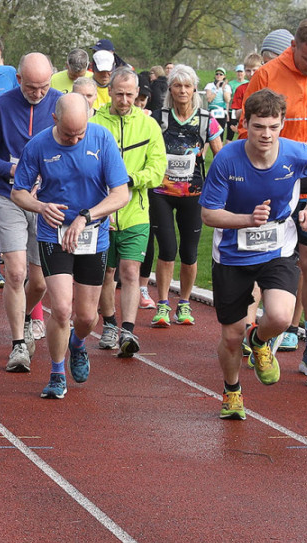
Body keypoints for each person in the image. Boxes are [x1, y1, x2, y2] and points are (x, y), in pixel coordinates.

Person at [201, 89, 307, 420]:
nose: (266, 134)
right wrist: (247, 220)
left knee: (278, 317)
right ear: (245, 123)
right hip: (232, 255)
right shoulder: (227, 160)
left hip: (278, 248)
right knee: (231, 337)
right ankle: (232, 391)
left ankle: (260, 341)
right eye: (259, 126)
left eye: (274, 127)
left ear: (282, 124)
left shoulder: (292, 153)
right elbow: (208, 214)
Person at [233, 18, 307, 373]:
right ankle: (254, 332)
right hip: (274, 181)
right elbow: (245, 130)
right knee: (263, 260)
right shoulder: (268, 74)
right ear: (294, 47)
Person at [12, 96, 130, 399]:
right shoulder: (38, 146)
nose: (75, 139)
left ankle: (78, 344)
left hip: (93, 235)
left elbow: (121, 194)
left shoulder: (102, 138)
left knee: (87, 318)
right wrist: (40, 206)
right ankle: (56, 372)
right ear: (54, 119)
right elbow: (18, 192)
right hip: (54, 234)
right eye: (68, 135)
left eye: (80, 134)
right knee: (62, 309)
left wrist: (87, 216)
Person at [0, 52, 62, 373]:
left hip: (46, 201)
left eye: (44, 86)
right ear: (18, 81)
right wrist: (10, 168)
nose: (39, 93)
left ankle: (27, 317)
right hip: (9, 196)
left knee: (40, 282)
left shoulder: (60, 103)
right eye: (32, 87)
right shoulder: (1, 107)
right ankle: (18, 344)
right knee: (15, 273)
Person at [91, 68, 167, 357]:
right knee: (106, 272)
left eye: (130, 95)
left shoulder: (149, 127)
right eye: (119, 93)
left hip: (136, 213)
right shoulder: (95, 123)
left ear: (139, 96)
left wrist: (130, 180)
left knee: (131, 271)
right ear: (109, 91)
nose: (124, 100)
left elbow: (158, 169)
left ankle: (128, 330)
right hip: (103, 214)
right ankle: (109, 323)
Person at [149, 64, 223, 327]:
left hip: (194, 193)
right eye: (178, 85)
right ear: (171, 88)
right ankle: (162, 305)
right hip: (161, 192)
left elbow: (221, 156)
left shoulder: (206, 119)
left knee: (189, 253)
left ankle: (184, 303)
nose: (183, 90)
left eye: (187, 86)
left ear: (195, 90)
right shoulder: (158, 118)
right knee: (167, 249)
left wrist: (218, 188)